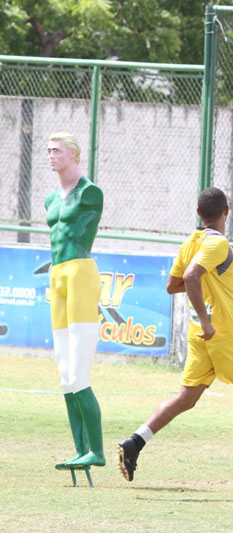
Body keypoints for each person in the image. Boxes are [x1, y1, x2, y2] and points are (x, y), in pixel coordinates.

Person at [117, 187, 233, 491]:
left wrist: (204, 306)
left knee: (186, 399)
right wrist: (207, 318)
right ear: (226, 211)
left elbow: (171, 284)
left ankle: (136, 441)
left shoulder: (191, 242)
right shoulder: (218, 243)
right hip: (228, 335)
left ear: (198, 212)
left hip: (201, 337)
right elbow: (189, 277)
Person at [46, 132, 106, 471]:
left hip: (80, 272)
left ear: (73, 154)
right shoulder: (50, 199)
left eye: (57, 150)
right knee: (65, 374)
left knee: (78, 370)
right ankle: (80, 450)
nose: (51, 156)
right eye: (49, 151)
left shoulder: (90, 192)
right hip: (57, 277)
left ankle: (95, 451)